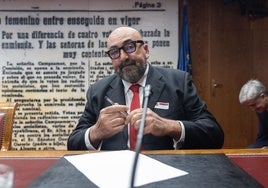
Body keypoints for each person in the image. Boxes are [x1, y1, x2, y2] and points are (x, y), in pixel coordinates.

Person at [67, 26, 224, 150]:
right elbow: (73, 143)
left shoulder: (178, 82)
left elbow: (214, 134)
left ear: (146, 51)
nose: (123, 57)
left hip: (166, 171)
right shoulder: (98, 91)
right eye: (115, 52)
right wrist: (96, 132)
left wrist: (169, 126)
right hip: (115, 173)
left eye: (129, 47)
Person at [239, 79, 268, 148]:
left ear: (263, 96)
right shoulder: (261, 109)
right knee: (251, 150)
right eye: (249, 106)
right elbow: (263, 136)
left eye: (253, 105)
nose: (252, 109)